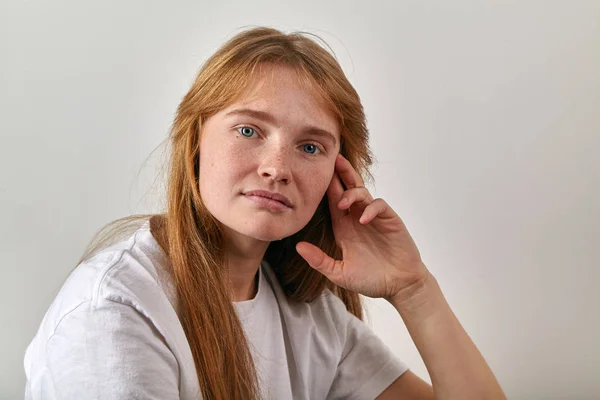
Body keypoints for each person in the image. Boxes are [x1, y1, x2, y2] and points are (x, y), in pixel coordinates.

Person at [24, 27, 506, 399]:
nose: (277, 168)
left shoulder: (310, 316)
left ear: (336, 178)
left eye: (310, 146)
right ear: (194, 143)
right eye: (249, 131)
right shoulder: (116, 310)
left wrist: (413, 288)